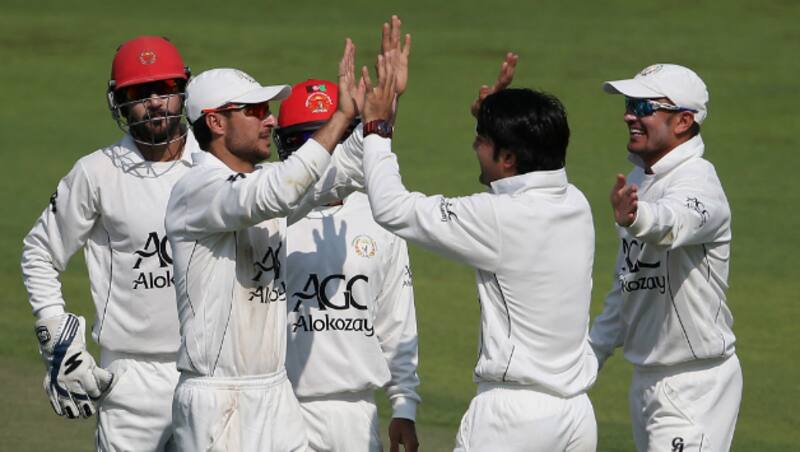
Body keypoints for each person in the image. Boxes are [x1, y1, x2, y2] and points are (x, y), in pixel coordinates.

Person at [360, 36, 598, 451]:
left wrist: (377, 129)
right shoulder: (576, 203)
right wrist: (495, 116)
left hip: (513, 419)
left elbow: (391, 208)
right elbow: (520, 186)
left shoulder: (496, 219)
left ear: (507, 159)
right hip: (576, 415)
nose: (474, 147)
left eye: (482, 141)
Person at [165, 40, 365, 451]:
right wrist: (340, 115)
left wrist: (374, 123)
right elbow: (278, 192)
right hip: (217, 401)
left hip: (274, 392)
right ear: (216, 123)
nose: (271, 121)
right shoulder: (196, 190)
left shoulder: (262, 182)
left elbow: (338, 175)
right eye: (255, 111)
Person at [21, 35, 200, 451]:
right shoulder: (97, 173)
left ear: (183, 90)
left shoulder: (213, 166)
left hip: (208, 372)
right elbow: (40, 251)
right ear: (119, 100)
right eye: (139, 93)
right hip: (129, 380)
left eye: (165, 89)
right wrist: (57, 337)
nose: (155, 102)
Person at [589, 64, 741, 451]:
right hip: (647, 381)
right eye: (628, 103)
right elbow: (628, 284)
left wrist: (639, 217)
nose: (629, 115)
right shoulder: (639, 180)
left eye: (643, 105)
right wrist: (588, 357)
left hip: (694, 383)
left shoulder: (700, 182)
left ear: (683, 121)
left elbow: (674, 222)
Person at [277, 77, 421, 452]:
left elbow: (396, 321)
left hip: (354, 414)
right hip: (277, 404)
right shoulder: (267, 218)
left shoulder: (380, 218)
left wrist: (404, 404)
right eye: (310, 142)